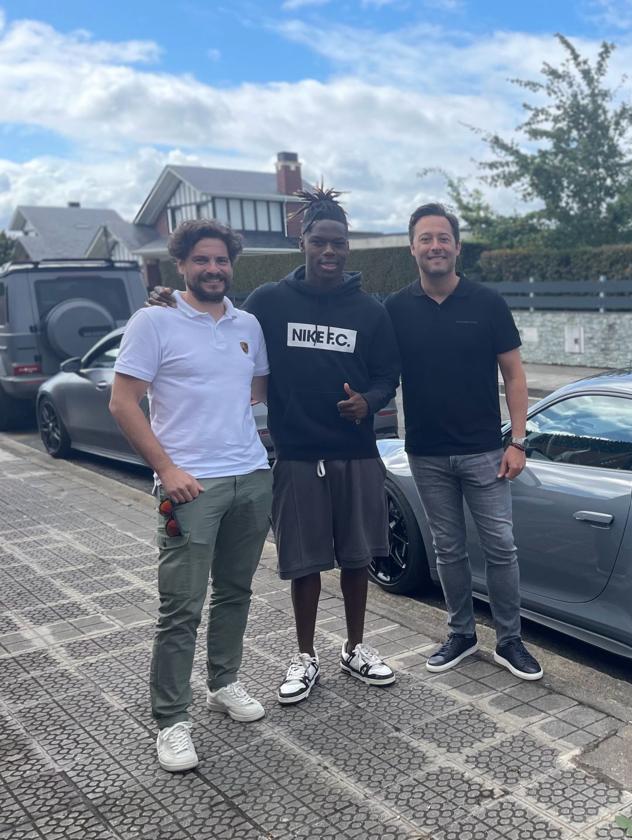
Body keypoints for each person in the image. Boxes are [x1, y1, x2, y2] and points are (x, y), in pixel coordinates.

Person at [149, 187, 400, 705]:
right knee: (304, 562)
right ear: (302, 242)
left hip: (355, 454)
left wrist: (369, 403)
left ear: (348, 247)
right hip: (296, 456)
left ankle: (355, 647)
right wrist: (169, 303)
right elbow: (217, 318)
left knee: (357, 559)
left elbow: (387, 375)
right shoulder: (269, 301)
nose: (329, 252)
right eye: (319, 242)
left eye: (338, 244)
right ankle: (305, 655)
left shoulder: (370, 311)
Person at [110, 219, 272, 772]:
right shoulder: (153, 321)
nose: (212, 269)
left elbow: (256, 391)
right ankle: (171, 720)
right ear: (181, 264)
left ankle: (223, 682)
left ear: (232, 265)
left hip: (251, 476)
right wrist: (167, 468)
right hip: (189, 487)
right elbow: (123, 402)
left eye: (221, 261)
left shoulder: (248, 323)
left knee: (236, 592)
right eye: (201, 260)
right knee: (181, 607)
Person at [383, 203, 543, 681]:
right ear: (412, 247)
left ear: (457, 245)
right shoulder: (394, 309)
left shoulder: (487, 303)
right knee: (448, 548)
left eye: (443, 238)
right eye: (425, 238)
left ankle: (509, 641)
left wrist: (518, 440)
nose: (435, 246)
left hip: (484, 451)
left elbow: (514, 375)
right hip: (427, 452)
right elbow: (375, 370)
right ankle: (461, 633)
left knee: (501, 546)